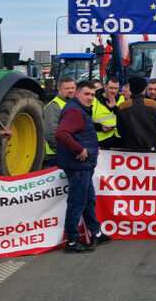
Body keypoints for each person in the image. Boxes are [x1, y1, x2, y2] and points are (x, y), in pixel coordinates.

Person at [54, 80, 111, 252]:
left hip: (83, 165)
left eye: (93, 95)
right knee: (77, 202)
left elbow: (81, 132)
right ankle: (72, 241)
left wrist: (91, 147)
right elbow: (61, 134)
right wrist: (80, 149)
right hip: (78, 165)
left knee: (88, 199)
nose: (90, 98)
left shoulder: (79, 109)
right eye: (86, 94)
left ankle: (95, 232)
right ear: (77, 94)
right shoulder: (75, 111)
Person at [117, 77, 156, 150]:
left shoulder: (123, 106)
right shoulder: (152, 104)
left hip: (129, 148)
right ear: (144, 89)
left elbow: (120, 130)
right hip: (151, 147)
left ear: (131, 89)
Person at [43, 77, 76, 168]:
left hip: (71, 152)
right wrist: (62, 150)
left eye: (73, 88)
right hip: (57, 155)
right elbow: (50, 133)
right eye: (67, 88)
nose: (71, 91)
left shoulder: (73, 104)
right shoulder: (53, 106)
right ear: (59, 90)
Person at [92, 78, 122, 149]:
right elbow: (86, 121)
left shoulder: (122, 99)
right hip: (100, 140)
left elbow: (124, 119)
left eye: (116, 88)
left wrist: (115, 107)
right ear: (105, 87)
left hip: (118, 139)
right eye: (111, 88)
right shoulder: (94, 100)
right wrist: (100, 127)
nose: (113, 91)